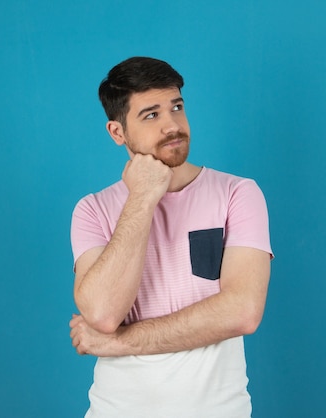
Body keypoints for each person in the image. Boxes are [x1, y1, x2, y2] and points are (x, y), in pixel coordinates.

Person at [69, 56, 273, 418]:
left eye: (176, 108)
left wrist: (119, 342)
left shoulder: (238, 194)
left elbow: (242, 312)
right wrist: (143, 196)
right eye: (151, 115)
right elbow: (101, 313)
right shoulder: (92, 210)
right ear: (118, 133)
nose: (172, 125)